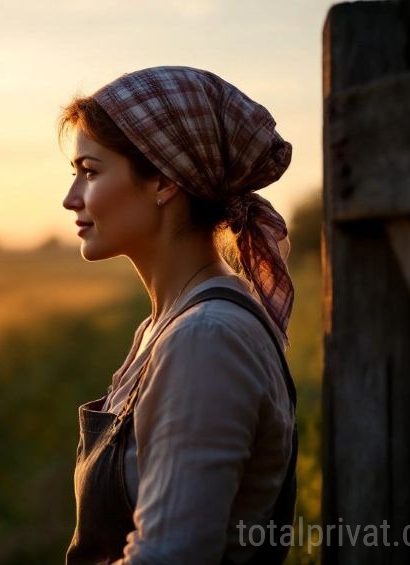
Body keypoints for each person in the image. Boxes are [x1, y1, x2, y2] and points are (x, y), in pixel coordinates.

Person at [59, 66, 298, 564]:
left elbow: (168, 556)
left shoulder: (206, 339)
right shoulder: (164, 327)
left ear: (164, 180)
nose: (71, 198)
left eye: (91, 171)